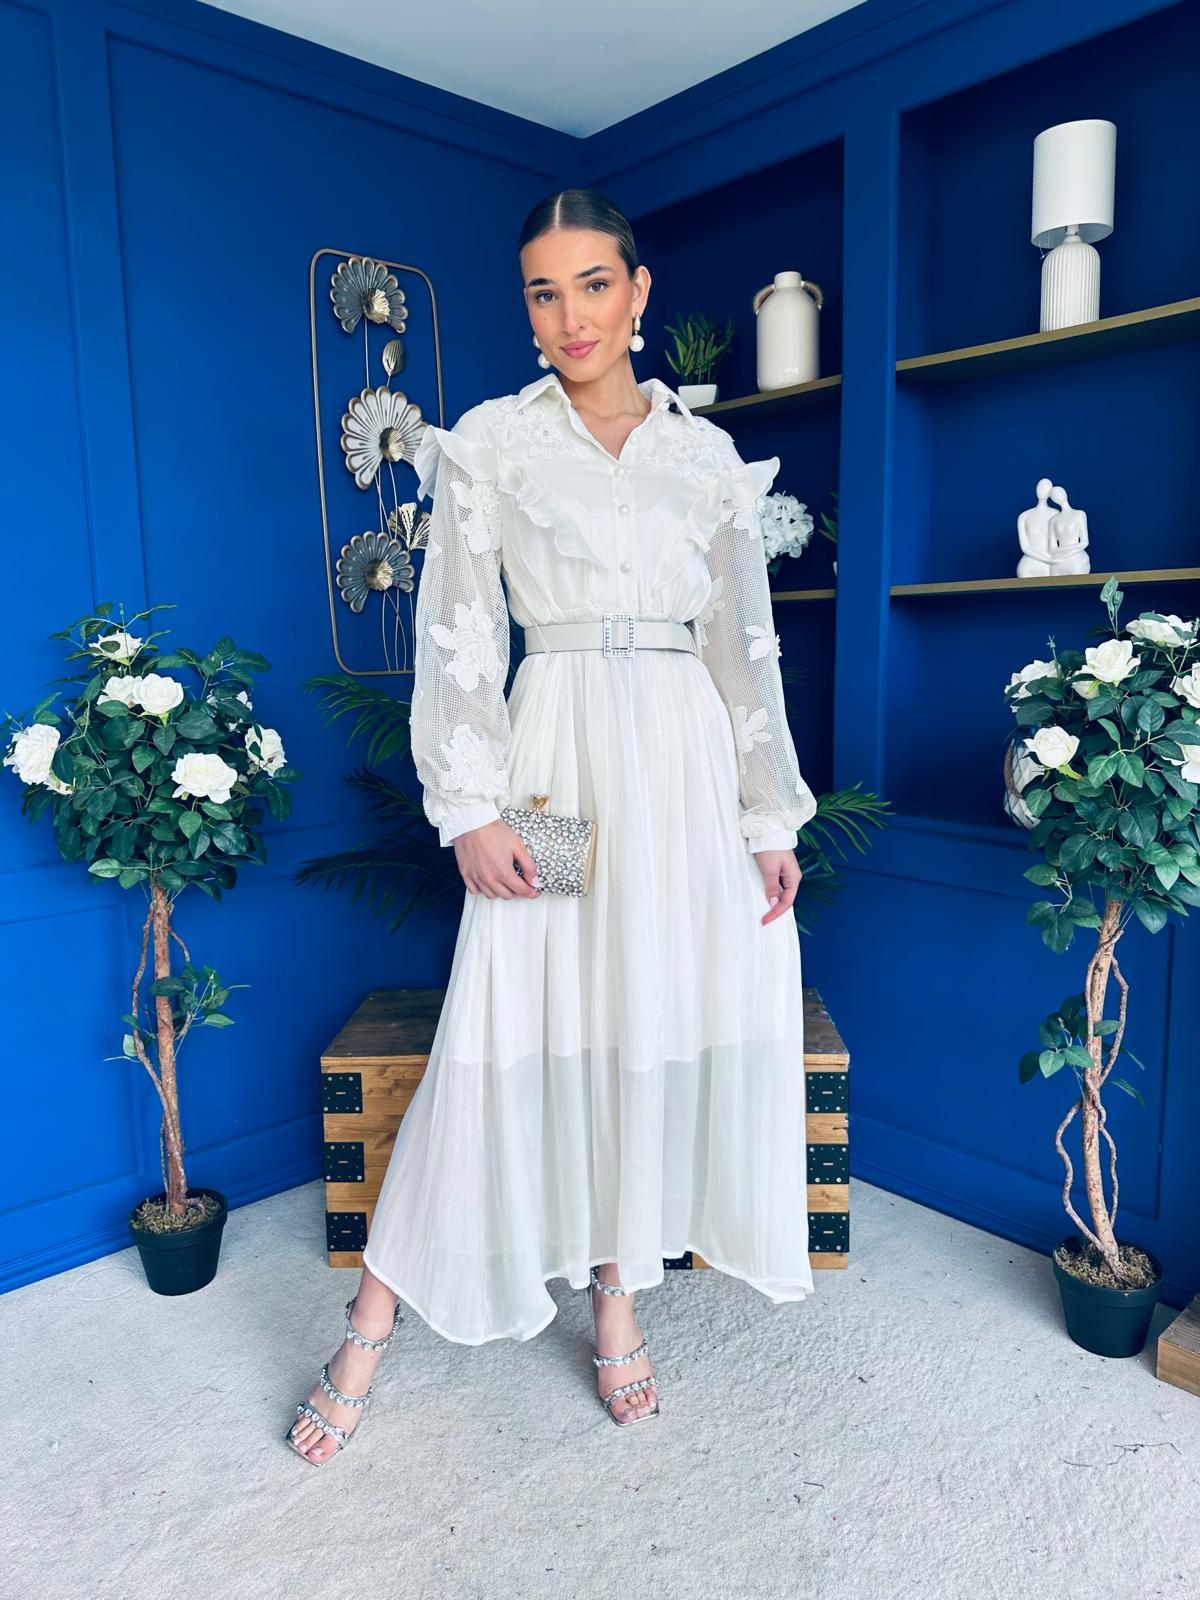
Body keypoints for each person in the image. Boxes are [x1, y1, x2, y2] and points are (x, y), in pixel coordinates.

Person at [286, 187, 819, 1463]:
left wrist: (767, 814)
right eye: (544, 290)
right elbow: (458, 636)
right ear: (526, 310)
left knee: (646, 1021)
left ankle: (617, 1298)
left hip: (684, 774)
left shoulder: (706, 461)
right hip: (553, 766)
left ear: (638, 293)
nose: (571, 314)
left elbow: (743, 649)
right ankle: (368, 1327)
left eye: (593, 283)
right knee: (504, 1017)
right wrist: (469, 807)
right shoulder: (492, 445)